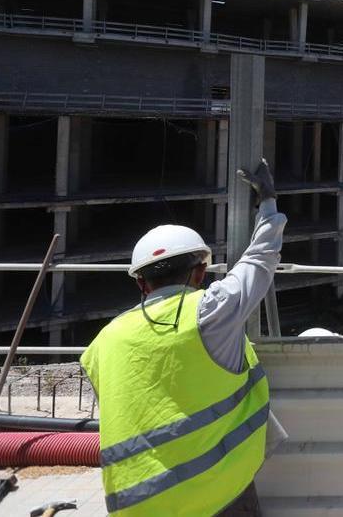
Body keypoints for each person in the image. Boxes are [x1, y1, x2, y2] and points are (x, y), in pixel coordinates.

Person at [81, 159, 287, 516]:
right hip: (217, 494)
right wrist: (267, 202)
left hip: (138, 507)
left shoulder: (102, 343)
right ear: (200, 272)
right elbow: (260, 259)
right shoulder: (210, 312)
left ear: (140, 283)